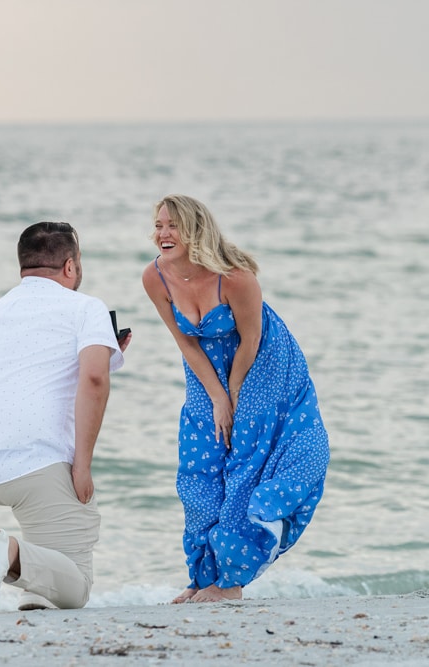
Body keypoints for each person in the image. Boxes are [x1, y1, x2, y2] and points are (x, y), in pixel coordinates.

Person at [141, 195, 329, 604]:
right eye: (158, 225)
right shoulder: (154, 278)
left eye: (172, 225)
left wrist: (236, 394)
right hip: (205, 370)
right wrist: (216, 398)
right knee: (200, 468)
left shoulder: (237, 278)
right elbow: (186, 343)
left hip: (261, 366)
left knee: (246, 464)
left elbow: (253, 339)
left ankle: (230, 583)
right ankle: (201, 575)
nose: (163, 234)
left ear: (195, 228)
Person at [0, 221, 130, 613]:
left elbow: (36, 373)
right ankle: (4, 551)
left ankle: (35, 593)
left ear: (23, 266)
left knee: (49, 536)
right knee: (77, 584)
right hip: (31, 461)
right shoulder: (85, 307)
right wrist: (82, 465)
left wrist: (108, 353)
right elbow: (93, 379)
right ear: (69, 267)